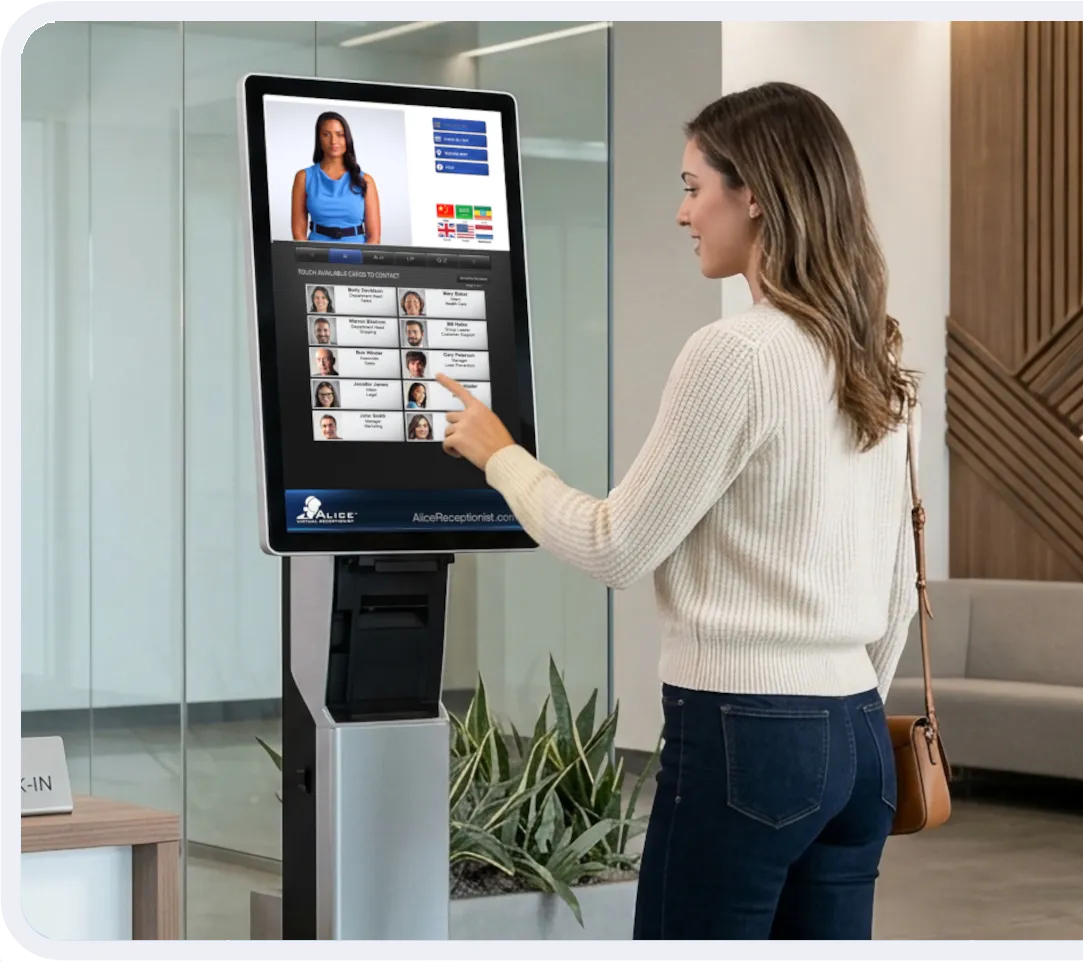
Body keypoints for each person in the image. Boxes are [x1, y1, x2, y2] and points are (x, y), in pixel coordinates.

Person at [435, 82, 921, 941]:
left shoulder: (734, 353)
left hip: (749, 739)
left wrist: (496, 453)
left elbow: (615, 547)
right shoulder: (870, 350)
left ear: (757, 195)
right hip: (856, 741)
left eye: (694, 186)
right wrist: (837, 710)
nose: (681, 213)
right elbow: (893, 590)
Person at [291, 112, 381, 244]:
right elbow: (298, 232)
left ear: (347, 139)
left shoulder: (366, 181)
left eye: (340, 135)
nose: (333, 141)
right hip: (317, 255)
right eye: (326, 134)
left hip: (357, 256)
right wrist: (309, 259)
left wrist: (362, 262)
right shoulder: (303, 177)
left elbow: (374, 237)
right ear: (319, 139)